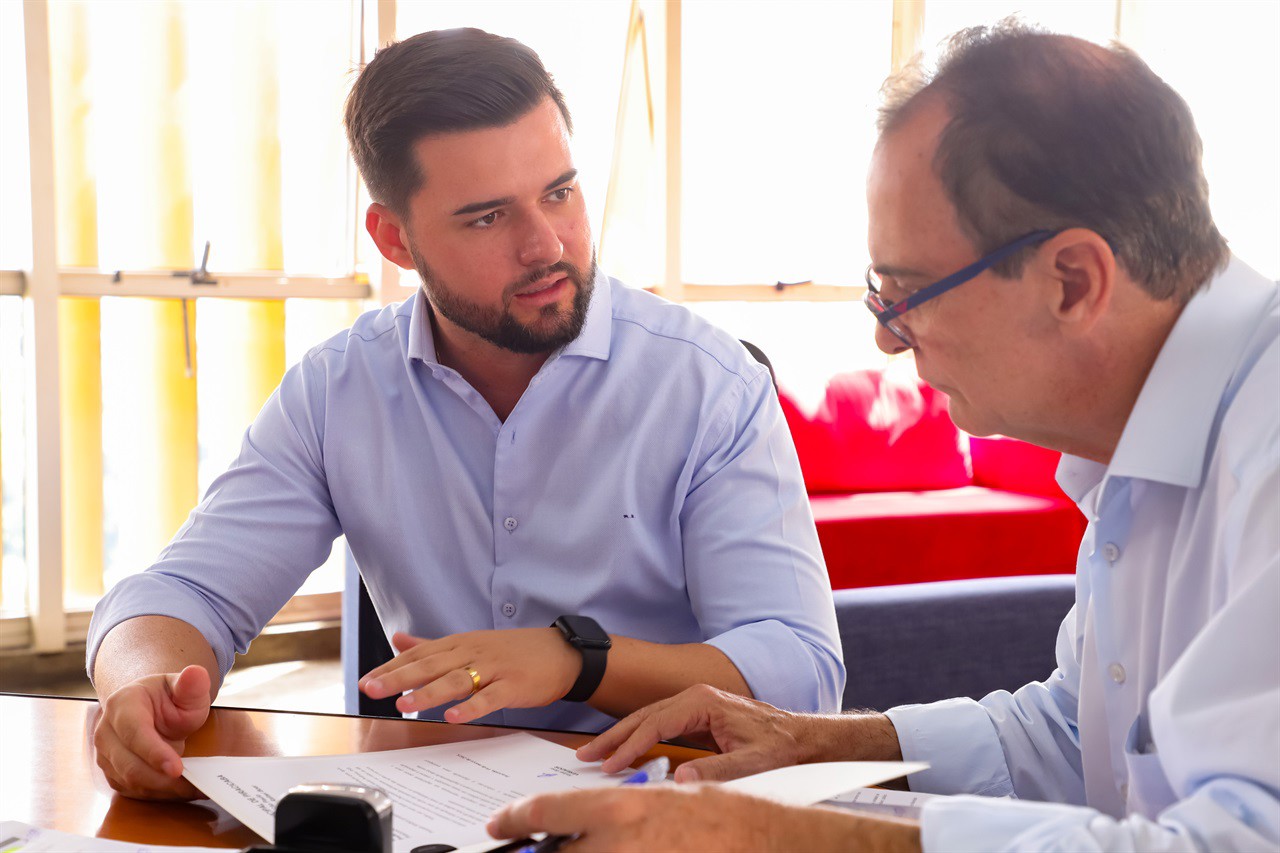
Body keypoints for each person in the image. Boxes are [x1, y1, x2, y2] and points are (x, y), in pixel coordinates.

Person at [486, 22, 1280, 852]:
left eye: (904, 293)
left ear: (1073, 281)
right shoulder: (1144, 443)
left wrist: (797, 837)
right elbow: (1082, 734)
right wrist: (819, 742)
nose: (887, 340)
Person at [86, 28, 844, 800]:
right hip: (443, 811)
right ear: (395, 239)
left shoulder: (709, 383)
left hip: (676, 807)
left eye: (560, 191)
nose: (546, 243)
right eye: (487, 217)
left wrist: (578, 657)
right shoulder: (338, 389)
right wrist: (139, 687)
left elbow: (803, 675)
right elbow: (183, 594)